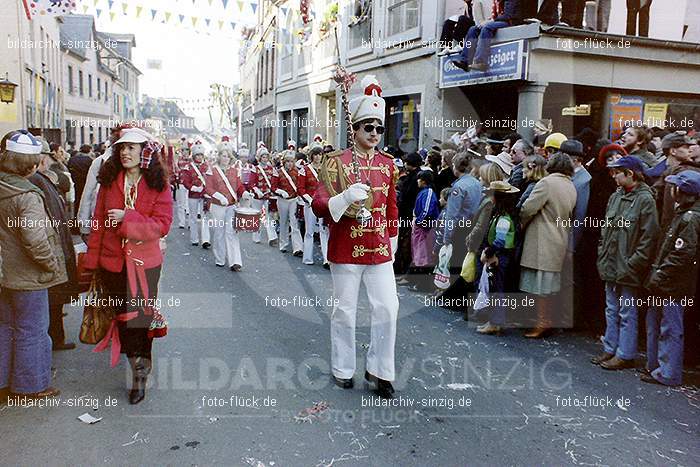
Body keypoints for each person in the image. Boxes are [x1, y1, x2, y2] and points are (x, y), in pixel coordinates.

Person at [312, 75, 399, 399]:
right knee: (345, 311)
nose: (374, 134)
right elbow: (319, 204)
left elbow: (391, 207)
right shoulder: (336, 163)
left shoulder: (389, 165)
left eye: (378, 128)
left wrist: (392, 240)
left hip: (378, 248)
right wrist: (345, 197)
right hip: (346, 247)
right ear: (356, 129)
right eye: (368, 127)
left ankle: (380, 370)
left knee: (388, 307)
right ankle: (343, 367)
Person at [83, 129, 173, 404]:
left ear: (144, 151)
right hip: (112, 264)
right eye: (121, 148)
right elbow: (98, 222)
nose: (125, 152)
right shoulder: (109, 181)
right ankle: (135, 359)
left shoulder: (158, 184)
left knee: (140, 321)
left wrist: (127, 218)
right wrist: (92, 263)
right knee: (123, 319)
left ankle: (139, 375)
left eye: (131, 148)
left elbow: (162, 225)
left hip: (145, 265)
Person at [0, 130, 67, 400]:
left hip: (4, 273)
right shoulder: (26, 195)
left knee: (4, 327)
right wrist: (50, 263)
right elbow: (35, 240)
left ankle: (3, 383)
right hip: (27, 276)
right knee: (32, 329)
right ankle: (31, 386)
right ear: (31, 163)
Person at [592, 156, 659, 370]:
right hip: (612, 263)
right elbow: (605, 229)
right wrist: (603, 252)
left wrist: (634, 263)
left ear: (630, 173)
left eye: (617, 172)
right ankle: (610, 349)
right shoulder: (616, 196)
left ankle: (625, 353)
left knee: (627, 312)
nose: (613, 176)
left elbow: (649, 237)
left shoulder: (645, 200)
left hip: (627, 266)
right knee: (611, 309)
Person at [643, 170, 700, 386]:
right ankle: (657, 366)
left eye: (676, 187)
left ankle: (668, 372)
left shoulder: (690, 218)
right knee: (660, 324)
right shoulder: (683, 214)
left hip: (675, 284)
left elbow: (682, 253)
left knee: (671, 327)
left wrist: (660, 274)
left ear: (684, 192)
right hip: (668, 282)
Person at [519, 153, 577, 338]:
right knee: (549, 284)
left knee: (539, 284)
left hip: (541, 237)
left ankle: (542, 321)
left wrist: (522, 223)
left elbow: (528, 208)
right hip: (559, 237)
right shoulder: (570, 185)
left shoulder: (546, 183)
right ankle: (546, 320)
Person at [28, 138, 78, 351]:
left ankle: (56, 338)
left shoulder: (42, 179)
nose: (48, 161)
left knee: (54, 301)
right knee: (51, 302)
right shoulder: (37, 181)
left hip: (56, 247)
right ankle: (54, 340)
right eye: (46, 157)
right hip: (50, 251)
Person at [475, 180, 520, 335]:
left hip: (498, 257)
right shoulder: (504, 215)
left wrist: (489, 253)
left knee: (495, 289)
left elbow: (500, 240)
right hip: (500, 256)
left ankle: (495, 322)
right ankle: (495, 321)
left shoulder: (503, 218)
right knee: (495, 288)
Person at [78, 125, 132, 242]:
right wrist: (85, 227)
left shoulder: (137, 163)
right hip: (103, 223)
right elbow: (88, 194)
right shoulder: (100, 162)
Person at [205, 149, 249, 271]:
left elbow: (239, 186)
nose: (225, 158)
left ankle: (235, 261)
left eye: (228, 156)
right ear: (219, 157)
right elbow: (208, 188)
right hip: (217, 206)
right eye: (223, 156)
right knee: (219, 233)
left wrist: (244, 193)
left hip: (231, 206)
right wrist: (219, 196)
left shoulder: (235, 171)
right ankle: (220, 258)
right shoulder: (212, 171)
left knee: (232, 232)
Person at [452, 0, 524, 72]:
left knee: (487, 27)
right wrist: (488, 20)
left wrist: (492, 20)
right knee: (473, 29)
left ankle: (481, 62)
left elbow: (508, 15)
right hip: (501, 21)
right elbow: (496, 15)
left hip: (511, 22)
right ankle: (465, 61)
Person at [443, 151, 483, 271]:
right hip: (473, 225)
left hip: (460, 228)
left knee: (456, 261)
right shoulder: (477, 183)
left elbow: (452, 215)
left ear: (456, 167)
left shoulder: (458, 187)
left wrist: (447, 236)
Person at [298, 146, 330, 267]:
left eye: (320, 154)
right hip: (310, 204)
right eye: (315, 154)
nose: (318, 157)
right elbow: (300, 188)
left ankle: (326, 259)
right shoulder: (304, 170)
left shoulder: (325, 169)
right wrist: (310, 200)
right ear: (311, 156)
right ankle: (307, 258)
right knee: (309, 231)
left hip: (323, 204)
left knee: (324, 230)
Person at [410, 170, 440, 290]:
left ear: (423, 181)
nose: (417, 181)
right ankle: (419, 282)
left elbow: (427, 210)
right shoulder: (423, 192)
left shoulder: (428, 192)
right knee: (419, 255)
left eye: (419, 179)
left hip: (425, 228)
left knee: (424, 257)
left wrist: (418, 221)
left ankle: (422, 284)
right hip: (421, 227)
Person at [272, 151, 303, 256]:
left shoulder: (297, 171)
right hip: (282, 200)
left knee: (294, 223)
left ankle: (297, 248)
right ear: (284, 162)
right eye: (288, 161)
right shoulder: (278, 172)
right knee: (284, 222)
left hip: (294, 200)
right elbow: (273, 187)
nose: (290, 164)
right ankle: (283, 244)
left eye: (291, 161)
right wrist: (280, 192)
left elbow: (300, 185)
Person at [181, 142, 211, 249]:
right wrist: (194, 188)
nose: (199, 157)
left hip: (204, 195)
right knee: (193, 217)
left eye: (201, 155)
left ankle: (205, 240)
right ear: (193, 156)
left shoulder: (207, 166)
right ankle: (194, 239)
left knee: (205, 217)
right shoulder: (188, 167)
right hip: (193, 194)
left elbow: (211, 180)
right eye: (197, 155)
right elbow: (185, 181)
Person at [247, 148, 279, 246]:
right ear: (259, 158)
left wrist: (272, 190)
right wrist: (257, 191)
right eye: (263, 157)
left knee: (268, 216)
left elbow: (274, 182)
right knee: (257, 215)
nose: (265, 159)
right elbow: (251, 183)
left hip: (268, 196)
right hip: (257, 197)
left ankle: (272, 237)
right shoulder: (255, 168)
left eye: (266, 157)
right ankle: (256, 236)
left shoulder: (271, 169)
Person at [175, 142, 191, 229]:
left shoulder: (191, 160)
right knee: (181, 204)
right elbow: (176, 171)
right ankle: (182, 222)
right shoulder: (178, 160)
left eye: (186, 150)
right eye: (183, 150)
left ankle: (190, 222)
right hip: (181, 183)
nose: (184, 151)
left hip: (189, 184)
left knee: (189, 204)